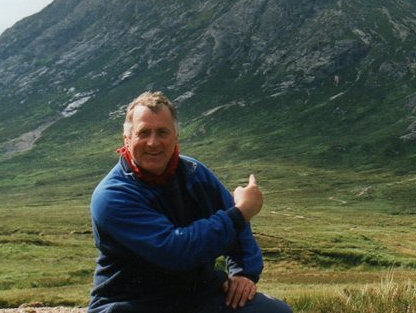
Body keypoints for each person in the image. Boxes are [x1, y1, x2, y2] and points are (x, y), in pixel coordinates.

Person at [89, 91, 292, 313]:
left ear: (176, 136)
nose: (153, 142)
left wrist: (243, 272)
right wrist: (241, 211)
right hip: (131, 303)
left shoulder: (195, 174)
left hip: (198, 295)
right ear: (127, 139)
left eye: (162, 132)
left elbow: (237, 228)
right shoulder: (111, 196)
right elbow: (175, 252)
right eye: (143, 132)